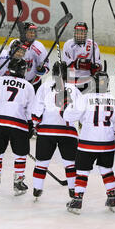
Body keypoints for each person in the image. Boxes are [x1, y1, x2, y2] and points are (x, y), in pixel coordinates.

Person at [62, 70, 115, 215]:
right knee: (106, 170)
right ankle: (111, 196)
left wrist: (67, 105)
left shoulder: (85, 97)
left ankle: (77, 200)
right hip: (107, 142)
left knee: (82, 171)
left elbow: (68, 116)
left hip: (88, 141)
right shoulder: (113, 99)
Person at [31, 61, 82, 200]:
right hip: (68, 132)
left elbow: (37, 108)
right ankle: (73, 191)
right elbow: (81, 112)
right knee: (70, 164)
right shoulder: (75, 89)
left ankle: (37, 188)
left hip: (46, 131)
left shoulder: (44, 87)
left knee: (41, 163)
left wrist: (34, 123)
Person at [0, 57, 35, 196]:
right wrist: (31, 124)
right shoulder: (28, 86)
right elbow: (30, 109)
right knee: (20, 155)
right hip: (18, 124)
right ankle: (18, 183)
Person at [62, 22, 102, 93]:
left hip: (87, 80)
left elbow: (98, 66)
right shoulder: (68, 44)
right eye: (77, 32)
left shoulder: (93, 45)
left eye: (82, 32)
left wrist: (95, 67)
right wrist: (76, 64)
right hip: (71, 82)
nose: (79, 35)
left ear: (86, 33)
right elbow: (65, 64)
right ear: (74, 33)